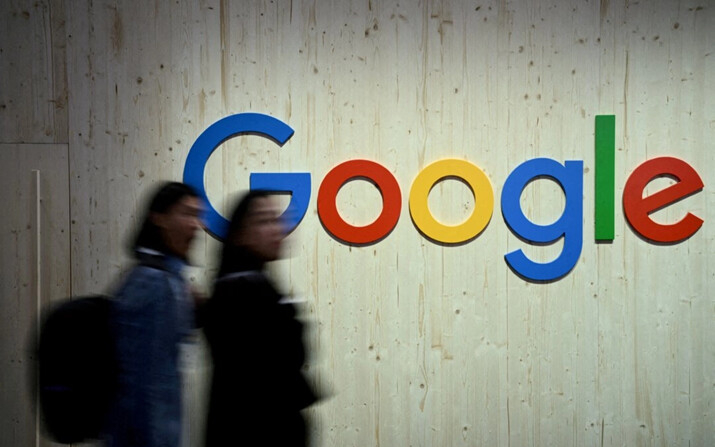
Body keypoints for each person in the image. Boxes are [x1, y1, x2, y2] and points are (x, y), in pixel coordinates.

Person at [202, 190, 318, 447]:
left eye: (278, 219)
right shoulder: (242, 292)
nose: (278, 229)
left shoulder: (249, 285)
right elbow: (270, 377)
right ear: (241, 233)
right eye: (265, 221)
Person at [104, 181, 202, 447]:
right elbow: (151, 385)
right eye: (187, 214)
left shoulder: (164, 279)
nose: (196, 225)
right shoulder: (157, 283)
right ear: (158, 218)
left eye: (198, 216)